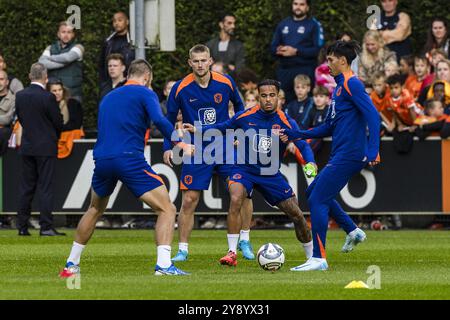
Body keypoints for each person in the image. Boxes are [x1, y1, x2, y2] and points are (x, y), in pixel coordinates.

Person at [59, 59, 194, 278]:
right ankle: (164, 265)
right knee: (167, 209)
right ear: (147, 77)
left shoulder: (108, 97)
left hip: (102, 159)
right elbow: (159, 119)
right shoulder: (145, 92)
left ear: (128, 74)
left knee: (95, 209)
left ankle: (70, 265)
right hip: (128, 158)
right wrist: (180, 143)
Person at [183, 79, 316, 266]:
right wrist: (199, 129)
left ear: (279, 97)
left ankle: (312, 257)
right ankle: (231, 252)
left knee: (297, 215)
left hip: (270, 174)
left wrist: (310, 162)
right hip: (244, 169)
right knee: (236, 197)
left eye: (272, 95)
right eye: (263, 96)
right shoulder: (245, 116)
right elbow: (223, 127)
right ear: (258, 97)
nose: (268, 99)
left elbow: (303, 143)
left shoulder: (286, 121)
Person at [280, 40, 381, 271]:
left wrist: (373, 149)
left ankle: (319, 258)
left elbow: (373, 116)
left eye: (331, 59)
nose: (328, 64)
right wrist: (298, 133)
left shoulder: (352, 84)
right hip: (341, 153)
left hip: (350, 154)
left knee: (316, 199)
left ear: (343, 61)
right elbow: (328, 127)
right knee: (314, 191)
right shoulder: (338, 87)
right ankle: (353, 230)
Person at [162, 44, 255, 262]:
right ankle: (183, 249)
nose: (200, 64)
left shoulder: (226, 82)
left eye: (204, 60)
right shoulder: (180, 88)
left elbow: (240, 108)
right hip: (196, 148)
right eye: (196, 61)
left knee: (241, 193)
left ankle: (244, 239)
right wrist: (168, 147)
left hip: (225, 145)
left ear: (211, 61)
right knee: (189, 201)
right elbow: (168, 121)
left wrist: (238, 135)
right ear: (189, 63)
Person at [15, 63, 64, 236]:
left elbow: (21, 118)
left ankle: (22, 226)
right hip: (46, 147)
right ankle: (46, 227)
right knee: (45, 187)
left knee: (26, 187)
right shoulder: (47, 97)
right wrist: (53, 134)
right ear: (45, 78)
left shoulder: (20, 95)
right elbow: (58, 122)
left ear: (29, 76)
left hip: (28, 146)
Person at [271, 0, 324, 103]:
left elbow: (317, 50)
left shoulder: (313, 25)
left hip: (305, 70)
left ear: (307, 7)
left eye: (302, 4)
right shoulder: (283, 24)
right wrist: (279, 50)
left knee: (305, 103)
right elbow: (272, 47)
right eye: (295, 4)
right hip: (285, 71)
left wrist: (296, 51)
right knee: (283, 103)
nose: (298, 7)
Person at [38, 21, 84, 102]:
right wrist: (63, 64)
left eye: (69, 32)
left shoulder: (79, 47)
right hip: (53, 93)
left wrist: (50, 58)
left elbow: (67, 58)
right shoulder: (50, 47)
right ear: (58, 34)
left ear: (73, 35)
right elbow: (41, 62)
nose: (66, 35)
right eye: (63, 32)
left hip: (72, 94)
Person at [99, 11, 135, 85]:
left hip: (128, 83)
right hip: (110, 84)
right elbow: (102, 64)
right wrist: (103, 83)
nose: (116, 23)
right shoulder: (108, 42)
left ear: (127, 22)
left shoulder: (133, 42)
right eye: (114, 21)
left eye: (120, 20)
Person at [0, 70, 15, 156]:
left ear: (7, 82)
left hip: (4, 135)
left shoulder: (14, 99)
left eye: (1, 79)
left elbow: (8, 119)